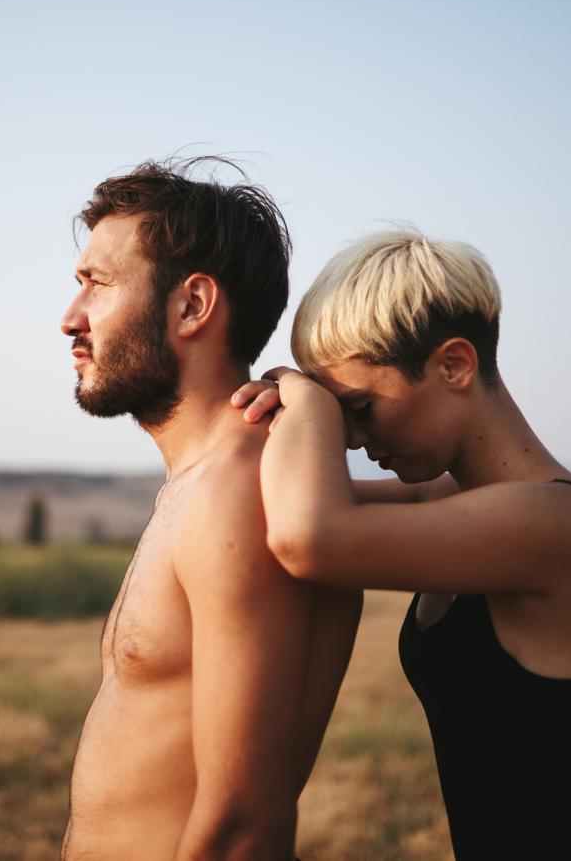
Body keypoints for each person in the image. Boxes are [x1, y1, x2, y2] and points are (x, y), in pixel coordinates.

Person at [232, 228, 571, 860]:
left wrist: (303, 400)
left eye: (358, 408)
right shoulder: (448, 500)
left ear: (454, 365)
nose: (351, 439)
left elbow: (312, 535)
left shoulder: (557, 524)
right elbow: (270, 508)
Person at [59, 159, 362, 860]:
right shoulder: (206, 481)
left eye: (97, 283)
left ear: (192, 305)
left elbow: (244, 826)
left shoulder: (237, 489)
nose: (70, 317)